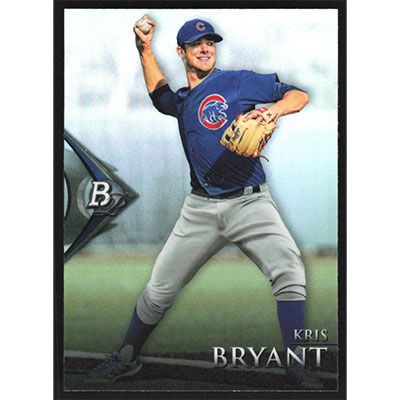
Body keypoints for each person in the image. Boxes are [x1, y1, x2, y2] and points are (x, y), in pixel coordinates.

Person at [87, 17, 322, 389]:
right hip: (199, 210)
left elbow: (298, 95)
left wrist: (274, 110)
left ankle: (297, 366)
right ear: (181, 53)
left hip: (249, 203)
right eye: (196, 44)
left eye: (210, 42)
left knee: (289, 271)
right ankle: (126, 357)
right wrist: (144, 48)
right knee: (158, 291)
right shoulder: (182, 102)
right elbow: (159, 94)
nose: (205, 48)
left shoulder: (237, 82)